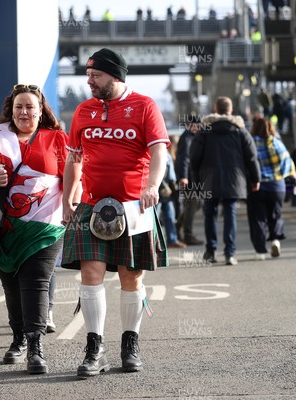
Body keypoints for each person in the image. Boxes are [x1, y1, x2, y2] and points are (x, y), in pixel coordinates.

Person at [61, 48, 169, 378]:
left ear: (116, 76)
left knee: (131, 276)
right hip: (93, 204)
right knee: (90, 272)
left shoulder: (145, 106)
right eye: (88, 75)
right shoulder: (83, 111)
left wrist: (152, 185)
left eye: (96, 75)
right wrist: (68, 198)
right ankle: (95, 349)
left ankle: (129, 344)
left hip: (135, 205)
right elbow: (74, 159)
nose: (89, 80)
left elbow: (159, 152)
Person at [0, 83, 69, 374]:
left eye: (30, 106)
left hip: (47, 227)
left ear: (40, 109)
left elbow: (75, 173)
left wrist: (74, 206)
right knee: (11, 284)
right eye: (18, 106)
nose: (24, 111)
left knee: (36, 282)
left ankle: (35, 346)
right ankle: (18, 338)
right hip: (3, 226)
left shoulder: (56, 139)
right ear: (11, 108)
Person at [189, 96, 261, 265]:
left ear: (215, 109)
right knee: (230, 213)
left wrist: (195, 180)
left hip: (209, 179)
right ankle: (229, 253)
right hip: (234, 179)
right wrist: (256, 178)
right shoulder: (240, 131)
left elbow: (194, 158)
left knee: (210, 213)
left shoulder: (204, 131)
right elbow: (252, 157)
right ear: (231, 110)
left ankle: (210, 251)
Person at [247, 118, 296, 260]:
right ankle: (275, 239)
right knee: (276, 215)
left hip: (257, 186)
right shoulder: (276, 143)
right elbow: (288, 161)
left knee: (258, 218)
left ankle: (260, 250)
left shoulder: (249, 142)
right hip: (277, 186)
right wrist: (294, 178)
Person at [174, 119, 203, 246]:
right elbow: (183, 159)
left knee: (194, 205)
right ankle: (188, 235)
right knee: (192, 205)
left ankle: (178, 226)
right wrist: (183, 177)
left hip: (195, 178)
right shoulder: (187, 138)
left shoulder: (193, 137)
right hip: (189, 179)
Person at [158, 149, 186, 248]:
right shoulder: (157, 151)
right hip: (160, 189)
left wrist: (173, 185)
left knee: (170, 215)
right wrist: (163, 186)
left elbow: (170, 172)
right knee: (155, 218)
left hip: (168, 188)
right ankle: (154, 242)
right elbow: (157, 171)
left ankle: (172, 240)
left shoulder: (166, 153)